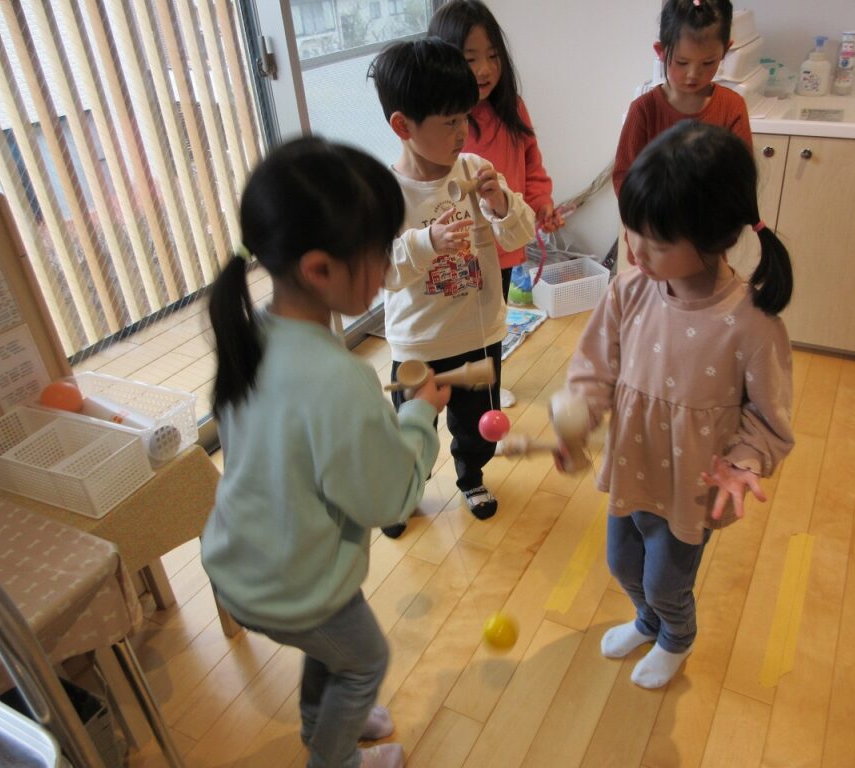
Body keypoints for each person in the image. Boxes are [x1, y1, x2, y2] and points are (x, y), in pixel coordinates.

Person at [201, 136, 449, 768]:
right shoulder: (339, 380)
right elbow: (389, 500)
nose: (389, 264)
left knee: (333, 645)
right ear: (318, 269)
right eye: (381, 251)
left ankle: (324, 720)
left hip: (242, 559)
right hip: (293, 583)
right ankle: (333, 759)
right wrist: (420, 416)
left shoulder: (252, 335)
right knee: (364, 660)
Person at [558, 121, 795, 689]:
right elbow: (595, 365)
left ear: (713, 239)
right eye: (631, 229)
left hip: (693, 483)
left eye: (657, 242)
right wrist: (578, 418)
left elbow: (769, 419)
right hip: (633, 462)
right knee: (622, 562)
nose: (635, 250)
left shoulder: (752, 324)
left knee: (667, 580)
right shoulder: (629, 289)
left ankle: (675, 636)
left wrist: (743, 462)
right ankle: (647, 621)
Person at [368, 37, 535, 537]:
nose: (463, 131)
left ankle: (471, 478)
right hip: (418, 342)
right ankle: (403, 492)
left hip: (477, 335)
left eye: (465, 117)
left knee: (477, 426)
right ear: (403, 127)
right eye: (449, 122)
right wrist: (427, 242)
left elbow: (519, 236)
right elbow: (382, 271)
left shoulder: (476, 171)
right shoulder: (385, 193)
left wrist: (502, 204)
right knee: (411, 430)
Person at [428, 0, 562, 408]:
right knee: (460, 326)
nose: (485, 69)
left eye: (492, 56)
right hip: (462, 251)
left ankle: (485, 389)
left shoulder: (511, 108)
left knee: (492, 324)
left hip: (505, 242)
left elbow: (531, 162)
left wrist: (540, 202)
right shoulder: (445, 121)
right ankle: (463, 391)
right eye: (470, 59)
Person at [612, 0, 751, 198]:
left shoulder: (732, 107)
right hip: (652, 216)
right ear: (661, 52)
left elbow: (741, 179)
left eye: (708, 62)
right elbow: (624, 178)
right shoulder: (644, 110)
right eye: (682, 62)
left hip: (711, 217)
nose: (693, 74)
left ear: (725, 51)